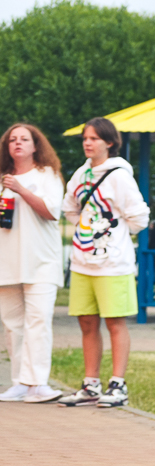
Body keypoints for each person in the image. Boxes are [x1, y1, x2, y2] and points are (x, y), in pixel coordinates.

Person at [59, 117, 149, 408]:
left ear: (109, 142)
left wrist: (114, 235)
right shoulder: (81, 174)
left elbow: (139, 218)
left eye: (95, 138)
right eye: (85, 138)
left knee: (115, 321)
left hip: (113, 263)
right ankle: (90, 383)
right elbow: (69, 207)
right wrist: (88, 225)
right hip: (83, 260)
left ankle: (118, 384)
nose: (88, 142)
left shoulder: (120, 175)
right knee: (86, 321)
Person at [0, 123, 65, 403]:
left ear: (36, 145)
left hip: (41, 262)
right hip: (8, 262)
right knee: (14, 324)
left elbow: (51, 211)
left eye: (24, 139)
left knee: (38, 321)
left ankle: (37, 383)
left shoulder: (47, 174)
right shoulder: (2, 178)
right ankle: (19, 383)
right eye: (12, 140)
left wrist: (21, 189)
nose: (18, 144)